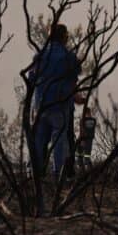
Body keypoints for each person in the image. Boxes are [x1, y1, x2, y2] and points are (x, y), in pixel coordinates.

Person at [29, 23, 82, 177]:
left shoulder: (40, 54)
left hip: (40, 105)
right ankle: (59, 175)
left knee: (39, 141)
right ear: (64, 37)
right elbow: (74, 76)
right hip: (60, 105)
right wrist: (76, 96)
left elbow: (31, 78)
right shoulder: (68, 56)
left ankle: (36, 175)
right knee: (59, 140)